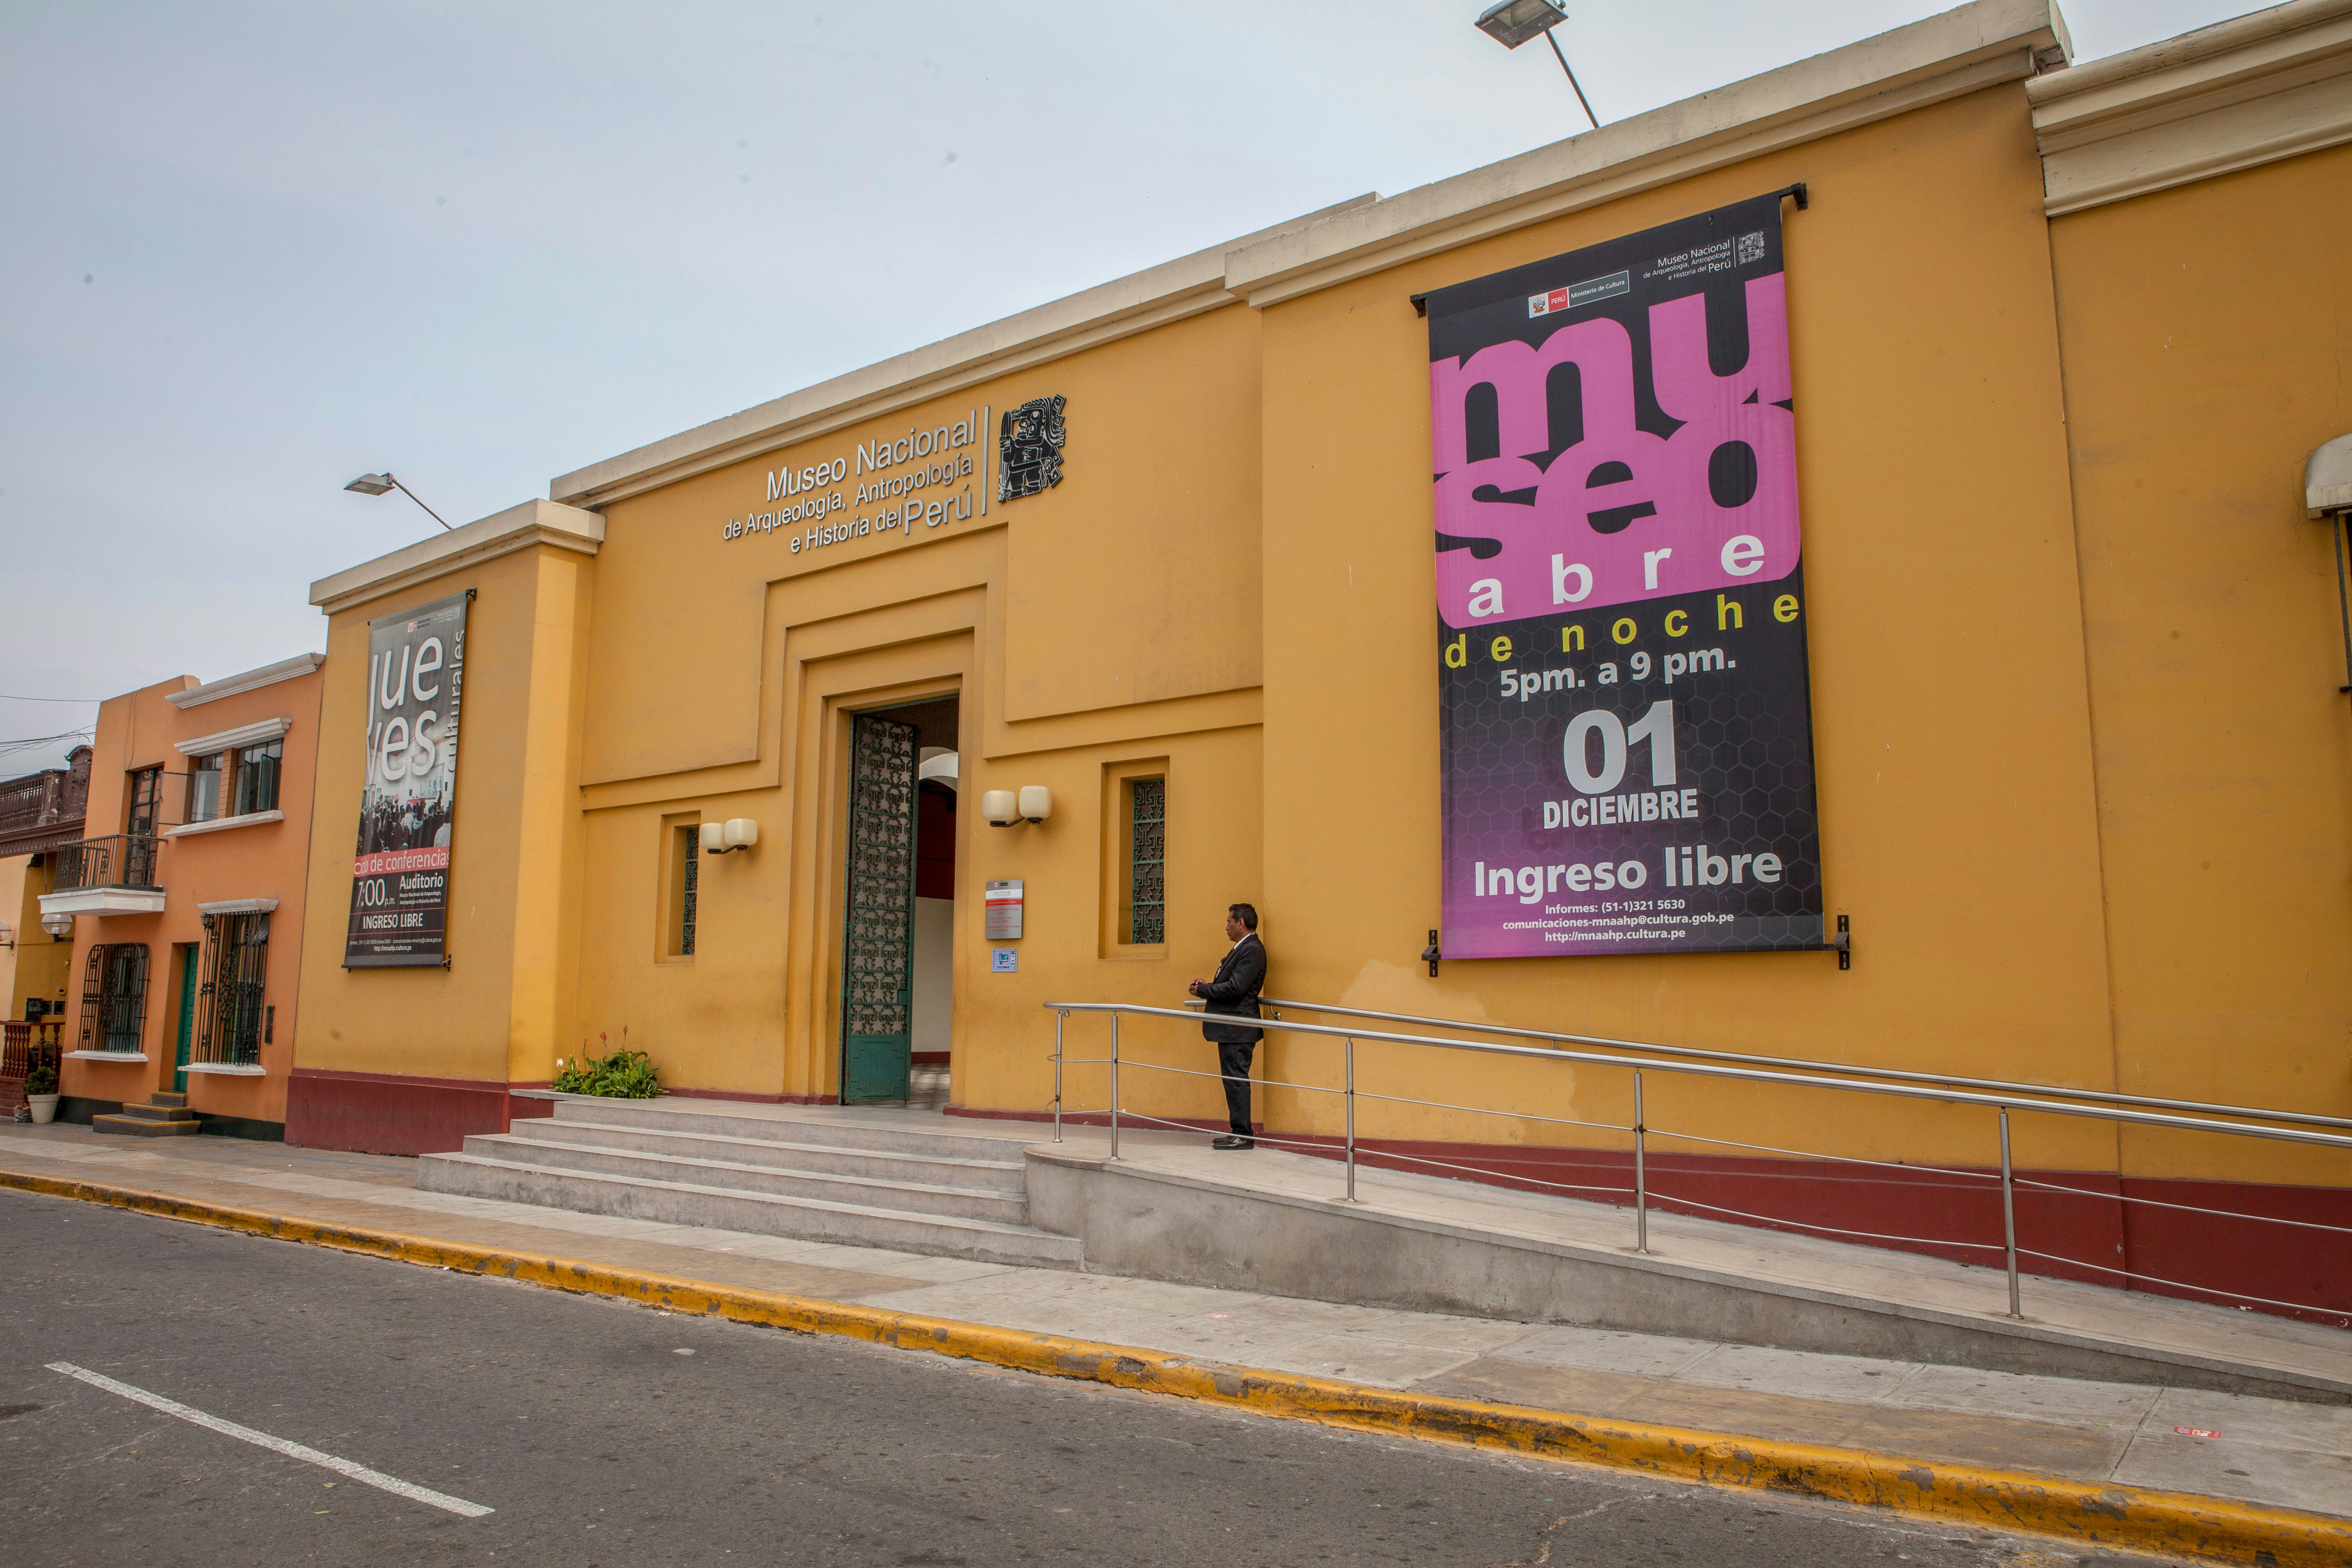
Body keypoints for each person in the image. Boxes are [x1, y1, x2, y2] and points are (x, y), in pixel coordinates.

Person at [1188, 903, 1266, 1151]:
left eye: (1229, 922)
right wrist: (1208, 985)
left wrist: (1204, 990)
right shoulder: (1243, 948)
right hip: (1232, 1028)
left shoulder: (1252, 949)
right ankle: (1238, 1131)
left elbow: (1236, 988)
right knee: (1232, 1080)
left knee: (1236, 1080)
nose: (1227, 927)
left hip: (1237, 1028)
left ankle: (1243, 1135)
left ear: (1241, 923)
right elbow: (1230, 983)